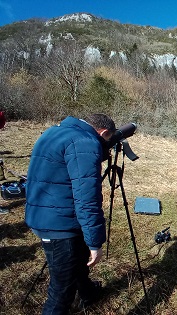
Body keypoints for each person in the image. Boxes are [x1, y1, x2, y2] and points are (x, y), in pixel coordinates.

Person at [25, 113, 116, 314]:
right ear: (103, 132)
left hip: (43, 212)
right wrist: (95, 243)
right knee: (61, 293)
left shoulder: (55, 132)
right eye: (106, 141)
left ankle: (88, 294)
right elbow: (87, 199)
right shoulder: (85, 143)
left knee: (77, 262)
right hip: (60, 225)